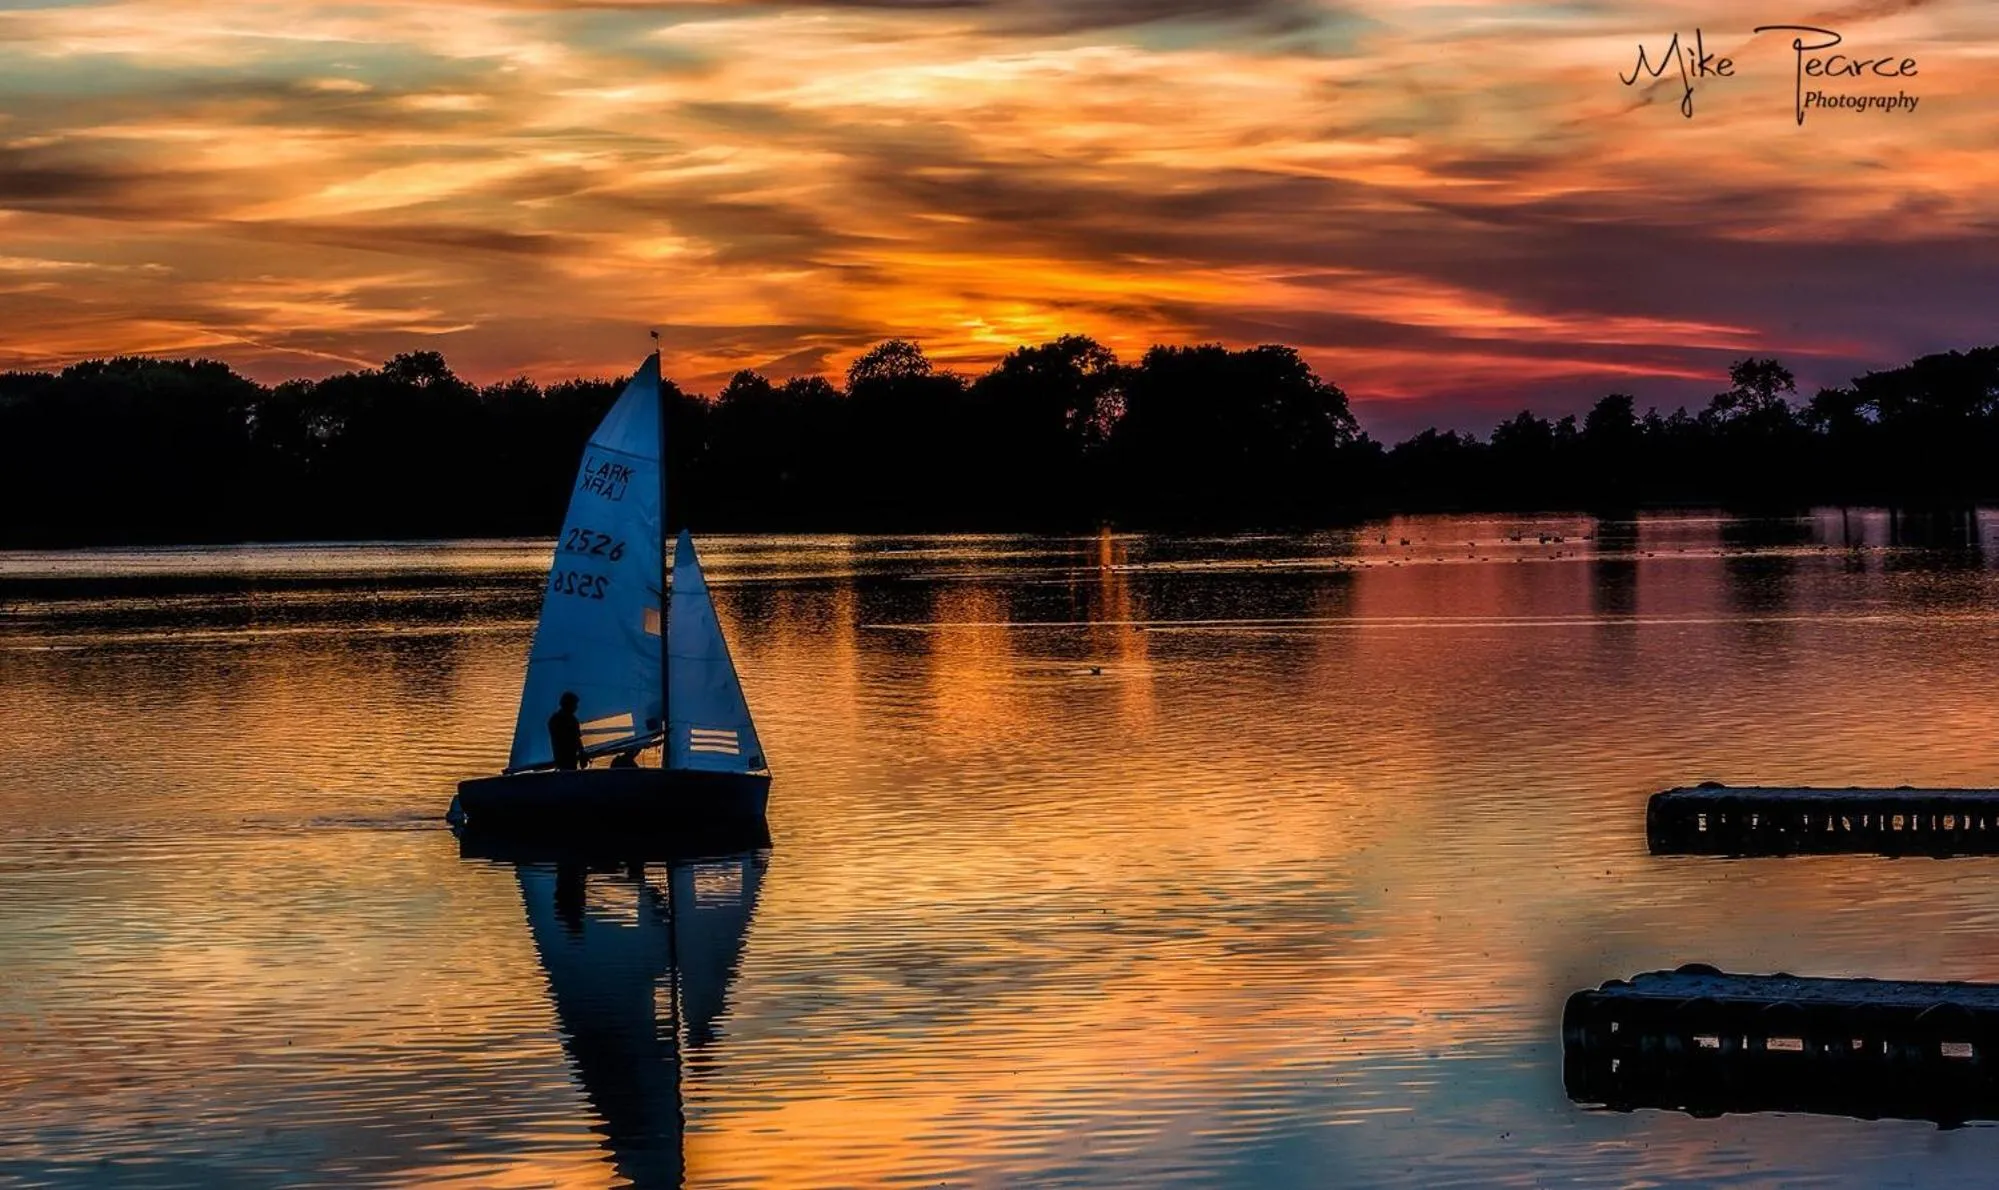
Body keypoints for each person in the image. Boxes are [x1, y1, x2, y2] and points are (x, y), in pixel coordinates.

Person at [548, 691, 586, 771]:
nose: (576, 707)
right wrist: (581, 753)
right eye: (575, 705)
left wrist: (582, 753)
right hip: (564, 759)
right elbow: (575, 739)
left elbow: (577, 740)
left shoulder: (571, 720)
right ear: (568, 705)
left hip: (568, 759)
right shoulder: (558, 720)